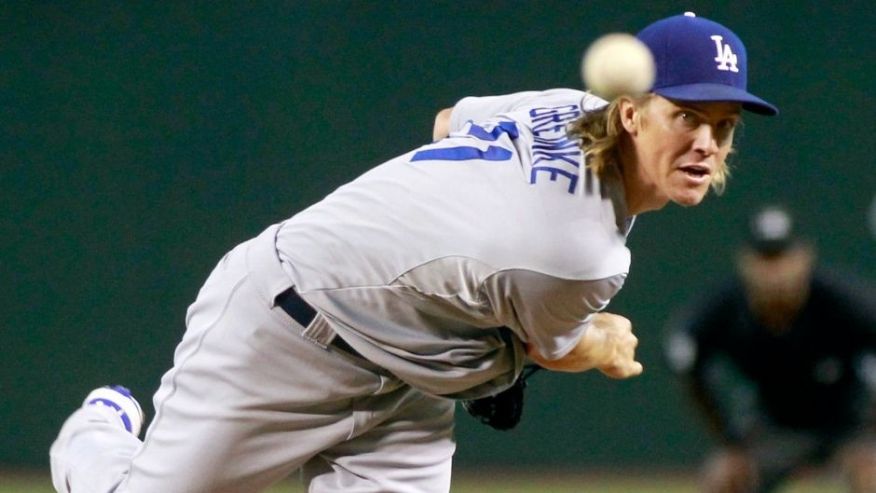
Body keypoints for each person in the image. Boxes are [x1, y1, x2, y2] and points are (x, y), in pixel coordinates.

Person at [50, 12, 777, 493]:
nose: (706, 144)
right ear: (630, 112)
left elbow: (445, 122)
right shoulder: (581, 252)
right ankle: (99, 429)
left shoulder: (562, 106)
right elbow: (553, 347)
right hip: (287, 327)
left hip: (408, 377)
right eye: (686, 116)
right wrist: (603, 340)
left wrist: (464, 231)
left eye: (723, 124)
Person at [664, 205, 876, 493]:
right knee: (724, 478)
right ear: (745, 262)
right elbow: (685, 360)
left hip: (849, 422)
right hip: (772, 425)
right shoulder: (727, 309)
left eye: (782, 257)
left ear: (804, 257)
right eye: (765, 259)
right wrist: (730, 443)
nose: (775, 271)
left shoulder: (843, 302)